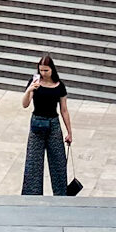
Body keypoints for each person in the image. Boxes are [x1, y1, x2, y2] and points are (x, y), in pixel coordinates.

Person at [21, 54, 73, 196]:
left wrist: (69, 132)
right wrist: (30, 89)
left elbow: (64, 110)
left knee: (58, 161)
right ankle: (31, 195)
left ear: (52, 70)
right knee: (33, 162)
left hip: (53, 124)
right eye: (41, 70)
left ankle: (61, 194)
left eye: (46, 71)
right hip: (37, 122)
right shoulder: (35, 82)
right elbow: (25, 104)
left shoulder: (59, 86)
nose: (43, 73)